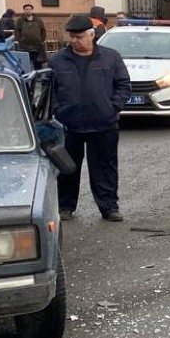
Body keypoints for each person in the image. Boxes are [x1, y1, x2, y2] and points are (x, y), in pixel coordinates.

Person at [48, 14, 131, 222]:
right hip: (68, 125)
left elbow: (123, 84)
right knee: (67, 168)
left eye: (79, 36)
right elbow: (48, 90)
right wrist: (58, 110)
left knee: (105, 167)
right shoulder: (57, 60)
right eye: (72, 37)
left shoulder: (111, 57)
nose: (74, 41)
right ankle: (65, 207)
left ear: (92, 35)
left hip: (104, 124)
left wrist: (113, 107)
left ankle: (109, 207)